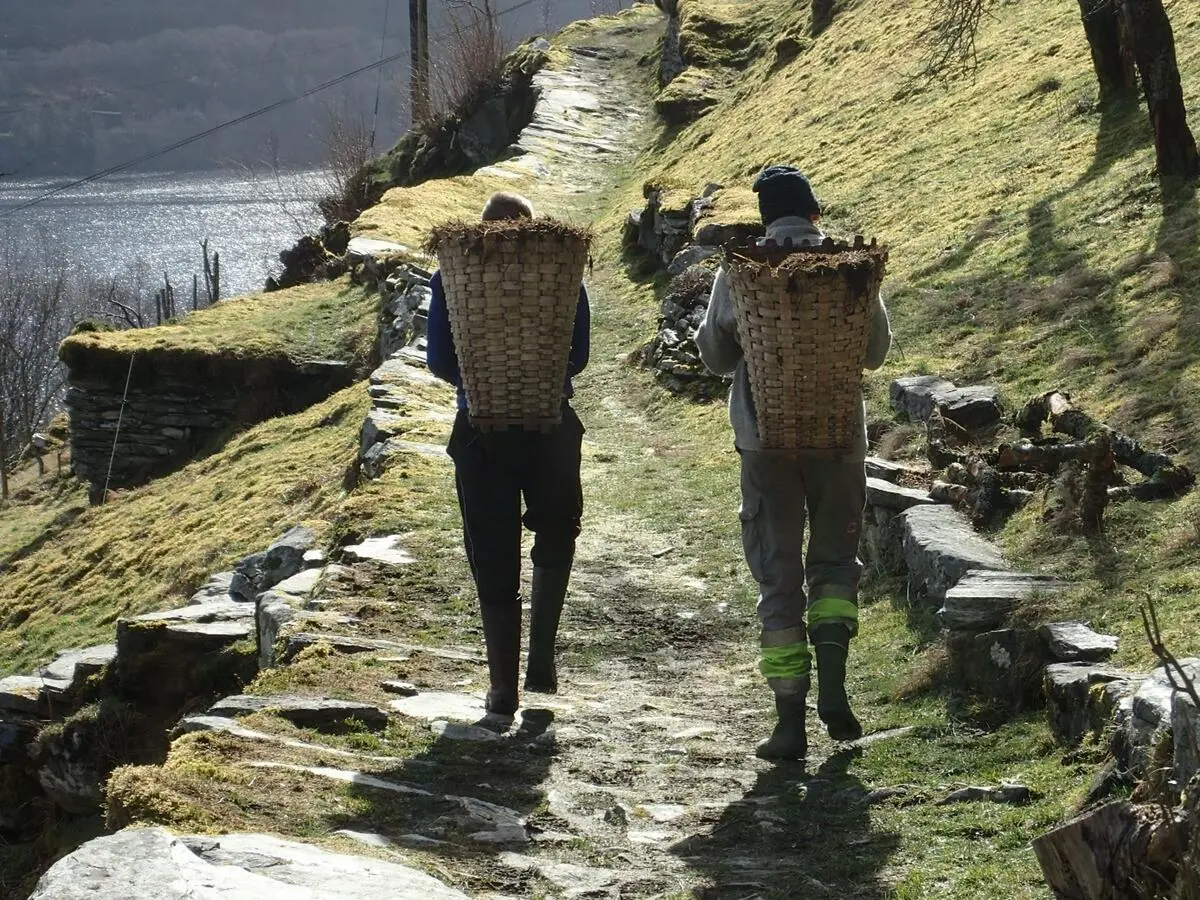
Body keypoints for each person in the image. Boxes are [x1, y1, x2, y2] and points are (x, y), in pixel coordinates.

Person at [695, 165, 892, 761]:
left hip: (766, 444)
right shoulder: (848, 268)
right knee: (835, 564)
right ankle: (834, 692)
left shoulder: (743, 269)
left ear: (763, 219)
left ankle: (789, 725)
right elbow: (876, 351)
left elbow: (715, 355)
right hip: (839, 442)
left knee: (778, 578)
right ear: (813, 215)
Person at [426, 191, 590, 721]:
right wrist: (538, 376)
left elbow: (439, 360)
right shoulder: (561, 274)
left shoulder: (452, 277)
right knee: (557, 526)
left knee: (492, 547)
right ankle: (541, 659)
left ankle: (502, 690)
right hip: (551, 427)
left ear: (480, 233)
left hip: (480, 433)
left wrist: (483, 379)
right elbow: (580, 353)